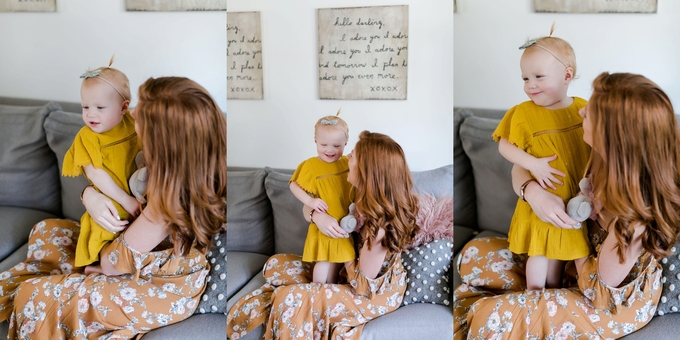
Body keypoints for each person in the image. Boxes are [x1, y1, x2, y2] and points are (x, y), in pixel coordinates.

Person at [454, 72, 680, 339]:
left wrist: (572, 228)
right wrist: (533, 192)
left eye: (592, 111)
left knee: (487, 319)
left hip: (607, 301)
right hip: (571, 266)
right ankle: (533, 303)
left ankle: (521, 307)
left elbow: (598, 290)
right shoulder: (596, 156)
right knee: (472, 254)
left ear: (613, 135)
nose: (582, 110)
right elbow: (521, 166)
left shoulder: (634, 217)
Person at [0, 76, 226, 339]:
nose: (132, 112)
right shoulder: (176, 168)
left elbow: (112, 263)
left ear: (162, 139)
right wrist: (89, 196)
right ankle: (48, 283)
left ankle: (43, 290)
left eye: (141, 114)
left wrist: (101, 267)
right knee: (49, 230)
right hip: (139, 254)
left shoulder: (167, 202)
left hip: (160, 287)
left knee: (34, 295)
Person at [228, 130, 419, 340]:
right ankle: (313, 294)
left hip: (371, 293)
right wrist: (318, 217)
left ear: (367, 171)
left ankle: (304, 300)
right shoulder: (354, 191)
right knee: (275, 264)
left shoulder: (379, 229)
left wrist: (343, 247)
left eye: (352, 156)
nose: (346, 159)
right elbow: (308, 204)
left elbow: (363, 287)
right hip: (346, 273)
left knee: (288, 299)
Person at [492, 26, 591, 290]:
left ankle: (557, 292)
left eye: (538, 76)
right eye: (525, 78)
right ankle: (534, 297)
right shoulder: (522, 113)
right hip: (544, 196)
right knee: (540, 250)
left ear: (567, 75)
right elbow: (504, 146)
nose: (530, 85)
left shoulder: (583, 108)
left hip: (575, 200)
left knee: (563, 248)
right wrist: (533, 164)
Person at [62, 58, 142, 270]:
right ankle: (96, 266)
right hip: (111, 198)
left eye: (100, 107)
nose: (90, 114)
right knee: (106, 229)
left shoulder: (132, 124)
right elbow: (96, 174)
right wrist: (125, 200)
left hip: (137, 191)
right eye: (85, 106)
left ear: (124, 107)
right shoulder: (87, 136)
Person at [289, 111, 354, 284]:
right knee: (324, 260)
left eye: (336, 145)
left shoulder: (348, 163)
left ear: (346, 144)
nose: (330, 150)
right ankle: (316, 289)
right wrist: (310, 201)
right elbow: (293, 184)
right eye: (324, 144)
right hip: (326, 220)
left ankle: (332, 288)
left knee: (338, 259)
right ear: (315, 141)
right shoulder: (310, 165)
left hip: (345, 221)